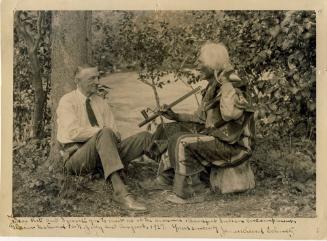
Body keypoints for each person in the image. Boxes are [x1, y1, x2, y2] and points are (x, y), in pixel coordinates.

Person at [142, 42, 255, 203]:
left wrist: (227, 90)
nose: (196, 65)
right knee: (168, 129)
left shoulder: (232, 83)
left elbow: (230, 115)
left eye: (200, 62)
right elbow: (200, 118)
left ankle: (188, 191)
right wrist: (175, 116)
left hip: (235, 145)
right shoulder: (213, 85)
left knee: (182, 142)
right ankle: (168, 177)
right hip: (219, 137)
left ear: (212, 64)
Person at [56, 65, 153, 212]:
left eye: (98, 77)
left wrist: (107, 136)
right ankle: (120, 191)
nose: (97, 81)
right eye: (92, 78)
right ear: (77, 80)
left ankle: (169, 177)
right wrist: (102, 133)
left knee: (144, 137)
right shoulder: (67, 101)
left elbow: (115, 133)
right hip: (78, 157)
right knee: (105, 132)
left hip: (105, 150)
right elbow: (73, 133)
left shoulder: (100, 102)